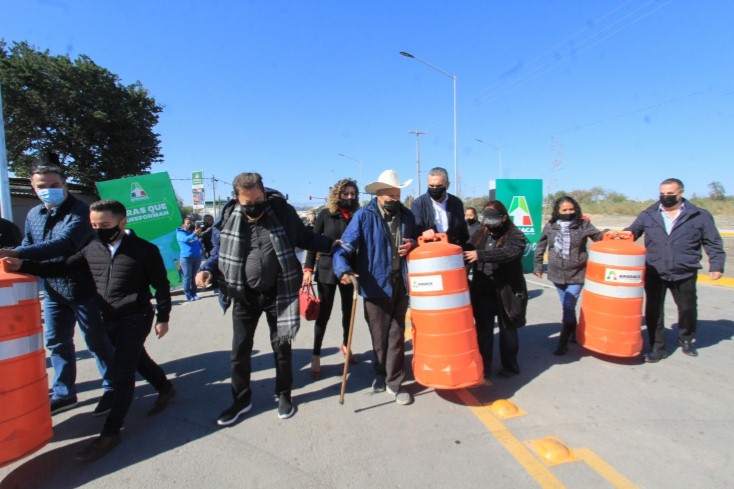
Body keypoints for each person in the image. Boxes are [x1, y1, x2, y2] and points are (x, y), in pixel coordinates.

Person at [2, 199, 176, 461]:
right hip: (108, 316)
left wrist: (163, 318)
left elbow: (161, 286)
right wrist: (24, 266)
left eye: (104, 224)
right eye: (94, 225)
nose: (98, 229)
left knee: (122, 371)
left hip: (136, 315)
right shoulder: (91, 246)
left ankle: (110, 433)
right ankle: (165, 388)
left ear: (122, 222)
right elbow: (63, 267)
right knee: (138, 359)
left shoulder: (144, 250)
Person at [196, 172, 332, 425]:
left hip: (278, 294)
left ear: (264, 193)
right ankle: (241, 400)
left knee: (281, 347)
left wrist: (336, 246)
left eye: (258, 199)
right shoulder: (227, 217)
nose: (254, 206)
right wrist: (206, 269)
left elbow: (306, 238)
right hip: (243, 295)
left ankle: (284, 393)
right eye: (248, 203)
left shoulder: (281, 211)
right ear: (237, 199)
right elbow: (217, 250)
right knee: (239, 350)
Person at [0, 163, 114, 415]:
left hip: (85, 288)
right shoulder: (33, 215)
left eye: (54, 185)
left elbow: (64, 244)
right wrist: (20, 259)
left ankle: (113, 388)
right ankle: (64, 392)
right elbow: (29, 242)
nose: (48, 190)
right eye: (42, 186)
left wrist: (17, 253)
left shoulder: (80, 211)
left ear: (65, 183)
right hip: (53, 289)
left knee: (97, 340)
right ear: (33, 186)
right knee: (57, 342)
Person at [333, 169, 418, 405]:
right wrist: (344, 269)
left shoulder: (408, 216)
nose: (393, 198)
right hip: (374, 286)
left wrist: (412, 243)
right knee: (379, 337)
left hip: (399, 283)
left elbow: (418, 241)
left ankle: (394, 382)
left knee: (397, 335)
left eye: (397, 193)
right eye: (389, 194)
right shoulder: (364, 216)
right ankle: (380, 373)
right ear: (378, 194)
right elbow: (345, 246)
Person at [624, 178, 725, 362]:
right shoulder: (648, 214)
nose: (665, 197)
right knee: (654, 310)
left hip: (684, 270)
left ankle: (686, 339)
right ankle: (657, 347)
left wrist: (716, 265)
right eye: (662, 194)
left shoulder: (699, 215)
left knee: (687, 308)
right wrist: (616, 237)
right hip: (655, 269)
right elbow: (631, 233)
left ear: (681, 193)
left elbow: (713, 242)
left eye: (670, 194)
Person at [533, 196, 608, 355]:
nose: (568, 212)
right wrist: (538, 265)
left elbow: (598, 237)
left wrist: (608, 234)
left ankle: (562, 342)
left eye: (571, 209)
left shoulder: (583, 224)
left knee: (568, 304)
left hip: (577, 273)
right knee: (568, 306)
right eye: (564, 210)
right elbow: (541, 246)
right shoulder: (551, 226)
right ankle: (573, 332)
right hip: (556, 274)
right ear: (558, 211)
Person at [302, 178, 360, 379]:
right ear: (338, 195)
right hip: (327, 270)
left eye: (353, 194)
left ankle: (346, 345)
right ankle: (316, 354)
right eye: (346, 194)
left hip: (350, 271)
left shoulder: (358, 216)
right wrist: (308, 268)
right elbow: (312, 242)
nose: (350, 197)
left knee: (348, 312)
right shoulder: (325, 215)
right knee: (323, 314)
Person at [464, 201, 528, 379]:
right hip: (483, 289)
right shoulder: (479, 233)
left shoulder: (516, 236)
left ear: (504, 218)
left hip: (507, 291)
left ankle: (510, 366)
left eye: (493, 221)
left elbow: (509, 253)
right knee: (484, 331)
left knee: (508, 330)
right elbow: (467, 254)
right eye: (486, 220)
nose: (489, 225)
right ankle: (484, 367)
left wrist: (480, 255)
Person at [410, 167, 469, 248]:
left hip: (453, 252)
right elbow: (415, 229)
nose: (435, 189)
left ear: (447, 185)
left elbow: (462, 230)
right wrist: (424, 232)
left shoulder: (457, 203)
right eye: (431, 186)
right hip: (430, 252)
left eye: (438, 186)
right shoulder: (418, 204)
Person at [177, 215, 204, 301]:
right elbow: (186, 239)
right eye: (187, 223)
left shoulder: (193, 232)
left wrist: (201, 250)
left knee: (194, 276)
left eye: (190, 223)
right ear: (183, 225)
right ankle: (188, 295)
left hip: (196, 257)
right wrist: (194, 234)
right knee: (187, 277)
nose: (189, 225)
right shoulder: (180, 233)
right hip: (186, 258)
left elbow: (197, 242)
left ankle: (194, 293)